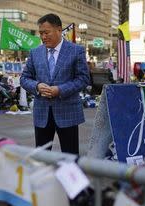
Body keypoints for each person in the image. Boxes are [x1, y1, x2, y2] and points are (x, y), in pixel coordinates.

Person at [20, 13, 90, 155]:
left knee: (70, 157)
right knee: (42, 157)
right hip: (42, 113)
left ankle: (70, 178)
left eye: (46, 32)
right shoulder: (35, 52)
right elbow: (24, 78)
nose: (43, 37)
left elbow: (83, 79)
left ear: (59, 29)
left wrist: (60, 90)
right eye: (41, 33)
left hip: (68, 112)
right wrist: (37, 86)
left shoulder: (76, 51)